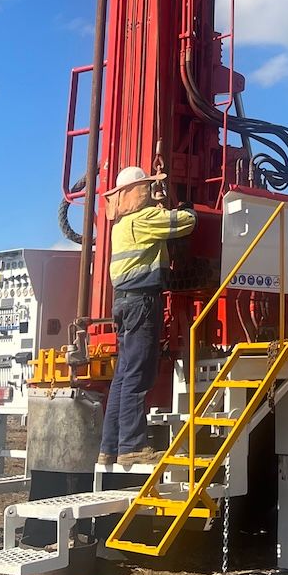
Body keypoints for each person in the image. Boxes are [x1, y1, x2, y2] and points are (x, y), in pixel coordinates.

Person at [99, 164, 196, 467]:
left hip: (123, 303)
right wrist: (186, 207)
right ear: (138, 191)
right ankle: (132, 447)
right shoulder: (144, 219)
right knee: (137, 375)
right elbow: (185, 223)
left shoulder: (120, 225)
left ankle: (110, 446)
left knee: (123, 376)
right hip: (142, 302)